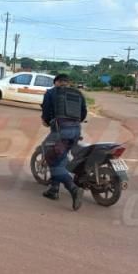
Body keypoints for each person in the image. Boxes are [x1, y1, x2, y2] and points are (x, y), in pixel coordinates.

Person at [40, 73, 88, 211]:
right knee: (60, 156)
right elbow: (83, 113)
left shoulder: (51, 93)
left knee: (50, 156)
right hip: (76, 131)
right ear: (68, 82)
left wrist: (47, 121)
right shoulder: (78, 93)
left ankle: (73, 189)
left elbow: (46, 113)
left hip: (61, 132)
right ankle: (53, 189)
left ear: (56, 82)